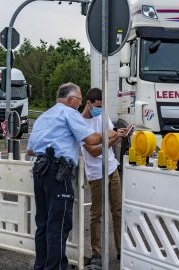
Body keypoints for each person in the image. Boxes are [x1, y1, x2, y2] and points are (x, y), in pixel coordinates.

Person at [26, 82, 116, 270]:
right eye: (80, 99)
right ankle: (56, 267)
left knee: (43, 223)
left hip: (40, 170)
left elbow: (30, 151)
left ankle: (41, 266)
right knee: (58, 225)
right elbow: (91, 139)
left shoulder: (43, 116)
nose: (80, 103)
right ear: (71, 99)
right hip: (58, 173)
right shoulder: (69, 113)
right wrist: (108, 133)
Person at [81, 88, 128, 266]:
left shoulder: (103, 116)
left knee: (117, 210)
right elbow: (92, 152)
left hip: (112, 167)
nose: (99, 110)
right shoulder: (80, 123)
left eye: (101, 106)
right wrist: (108, 138)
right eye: (97, 106)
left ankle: (121, 249)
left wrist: (118, 136)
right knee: (96, 214)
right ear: (89, 103)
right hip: (95, 173)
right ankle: (97, 253)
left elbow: (110, 138)